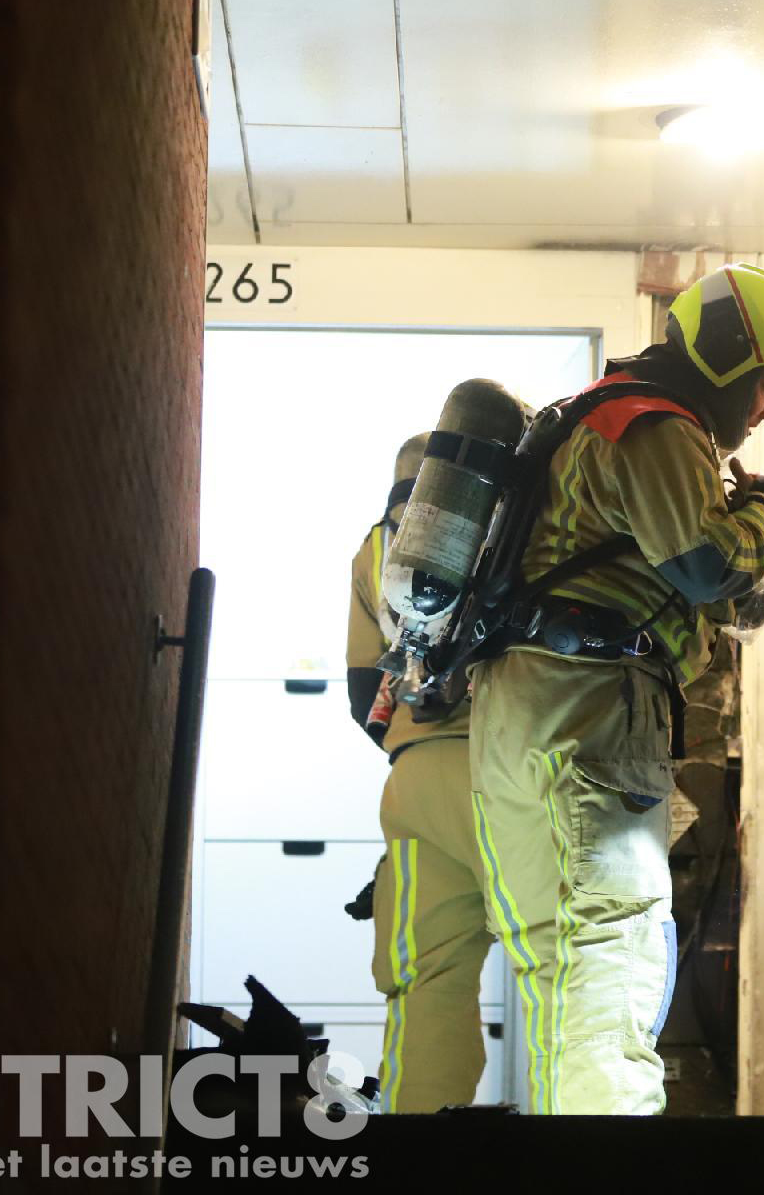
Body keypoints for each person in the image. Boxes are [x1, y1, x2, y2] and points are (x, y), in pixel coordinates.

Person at [469, 263, 764, 1114]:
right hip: (595, 708)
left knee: (557, 967)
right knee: (614, 955)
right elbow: (710, 568)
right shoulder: (654, 426)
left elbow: (732, 605)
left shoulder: (588, 417)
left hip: (516, 714)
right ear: (730, 362)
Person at [346, 430, 497, 1113]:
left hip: (412, 784)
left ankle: (419, 1163)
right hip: (510, 771)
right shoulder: (518, 527)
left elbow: (361, 697)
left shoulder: (377, 549)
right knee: (573, 961)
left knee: (427, 981)